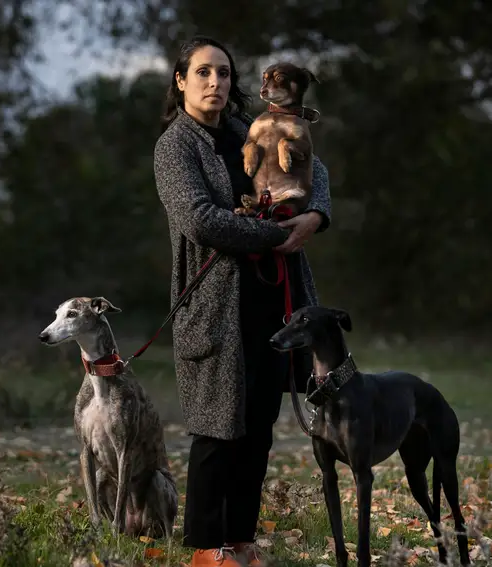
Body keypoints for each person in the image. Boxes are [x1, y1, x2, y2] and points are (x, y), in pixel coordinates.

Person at [152, 35, 333, 567]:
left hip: (273, 301)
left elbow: (315, 168)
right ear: (181, 81)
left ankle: (241, 540)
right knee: (217, 429)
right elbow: (201, 220)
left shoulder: (244, 129)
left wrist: (315, 215)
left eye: (225, 73)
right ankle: (205, 548)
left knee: (258, 427)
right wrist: (278, 234)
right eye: (203, 72)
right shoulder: (175, 146)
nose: (216, 82)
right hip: (214, 308)